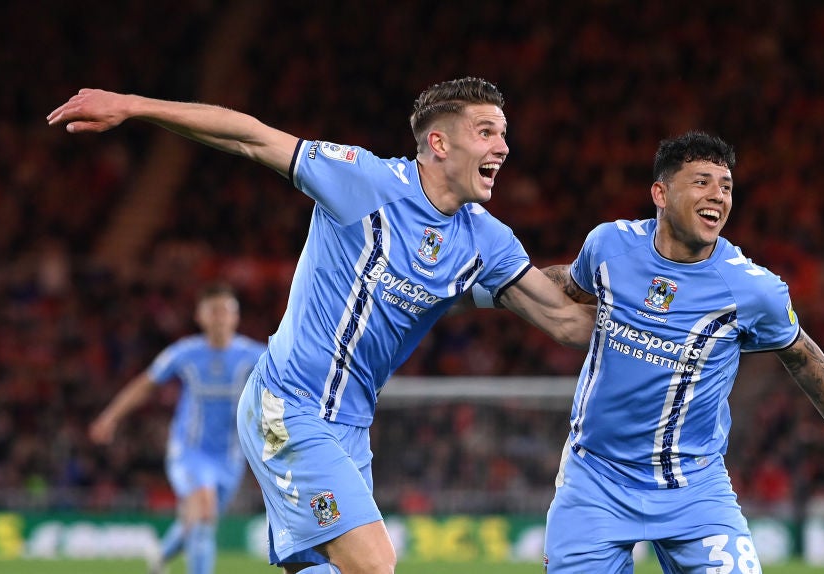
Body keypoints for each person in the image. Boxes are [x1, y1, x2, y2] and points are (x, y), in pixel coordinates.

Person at [50, 77, 594, 574]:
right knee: (375, 565)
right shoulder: (364, 180)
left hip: (351, 430)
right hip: (289, 407)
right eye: (486, 132)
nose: (502, 147)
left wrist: (667, 317)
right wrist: (133, 106)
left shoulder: (488, 241)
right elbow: (251, 138)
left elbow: (564, 319)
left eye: (503, 134)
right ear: (439, 144)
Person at [536, 131, 824, 572]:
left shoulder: (752, 289)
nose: (717, 195)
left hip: (694, 489)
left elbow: (802, 355)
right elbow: (566, 285)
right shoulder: (610, 246)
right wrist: (488, 287)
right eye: (702, 181)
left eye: (726, 186)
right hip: (595, 480)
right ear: (660, 193)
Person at [88, 283, 266, 574]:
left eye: (226, 311)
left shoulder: (254, 354)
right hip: (190, 451)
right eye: (214, 311)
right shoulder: (183, 353)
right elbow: (145, 384)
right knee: (204, 510)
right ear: (200, 316)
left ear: (236, 316)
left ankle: (159, 558)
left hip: (231, 457)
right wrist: (110, 417)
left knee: (197, 523)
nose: (220, 317)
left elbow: (289, 378)